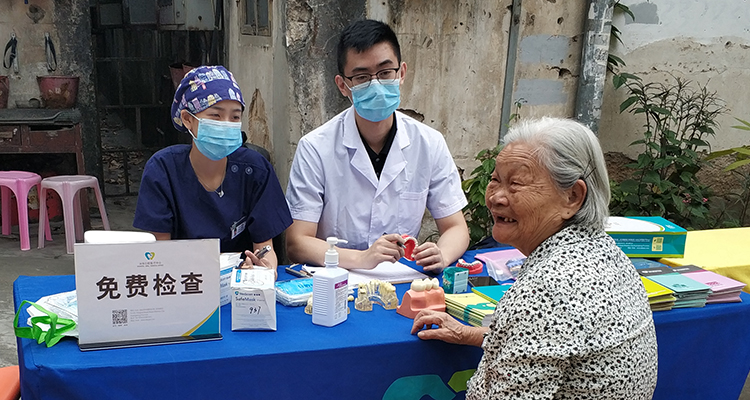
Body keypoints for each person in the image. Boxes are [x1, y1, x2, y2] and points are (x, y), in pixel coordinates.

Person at [411, 117, 658, 399]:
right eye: (495, 180)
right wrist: (471, 334)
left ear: (572, 197)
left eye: (516, 183)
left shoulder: (548, 288)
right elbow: (559, 344)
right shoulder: (604, 251)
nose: (495, 198)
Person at [285, 19, 469, 272]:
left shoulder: (429, 143)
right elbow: (297, 242)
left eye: (385, 73)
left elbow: (456, 227)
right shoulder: (315, 148)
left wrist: (443, 254)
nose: (376, 84)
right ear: (343, 85)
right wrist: (361, 258)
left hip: (402, 279)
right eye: (361, 77)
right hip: (336, 279)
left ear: (401, 73)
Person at [134, 65, 292, 271]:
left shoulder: (255, 170)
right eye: (216, 116)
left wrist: (263, 272)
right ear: (188, 119)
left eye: (235, 117)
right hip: (184, 283)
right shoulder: (163, 171)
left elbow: (266, 249)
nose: (226, 124)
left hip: (239, 286)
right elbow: (157, 256)